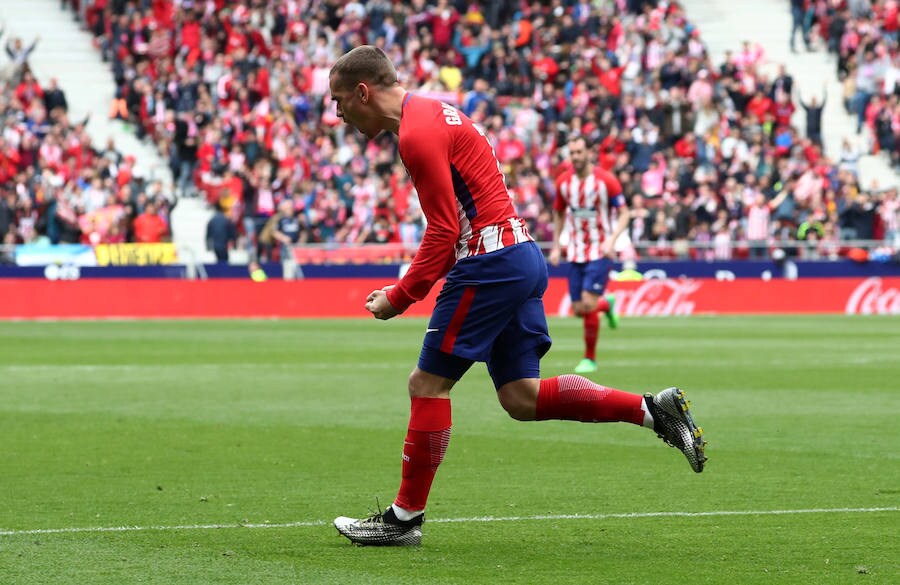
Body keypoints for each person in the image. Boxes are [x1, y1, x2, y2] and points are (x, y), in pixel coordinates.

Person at [329, 46, 707, 548]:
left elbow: (444, 232)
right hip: (519, 256)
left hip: (488, 265)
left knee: (427, 384)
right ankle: (651, 410)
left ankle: (403, 520)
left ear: (363, 91)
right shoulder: (436, 113)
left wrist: (398, 297)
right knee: (521, 398)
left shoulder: (417, 133)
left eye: (339, 101)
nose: (337, 113)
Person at [548, 135, 629, 374]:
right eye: (572, 153)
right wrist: (555, 246)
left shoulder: (606, 181)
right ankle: (607, 304)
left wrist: (612, 241)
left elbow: (625, 213)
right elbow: (559, 214)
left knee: (586, 303)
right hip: (575, 251)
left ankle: (589, 359)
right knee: (578, 309)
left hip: (599, 250)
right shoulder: (563, 182)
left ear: (588, 153)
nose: (576, 157)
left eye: (579, 152)